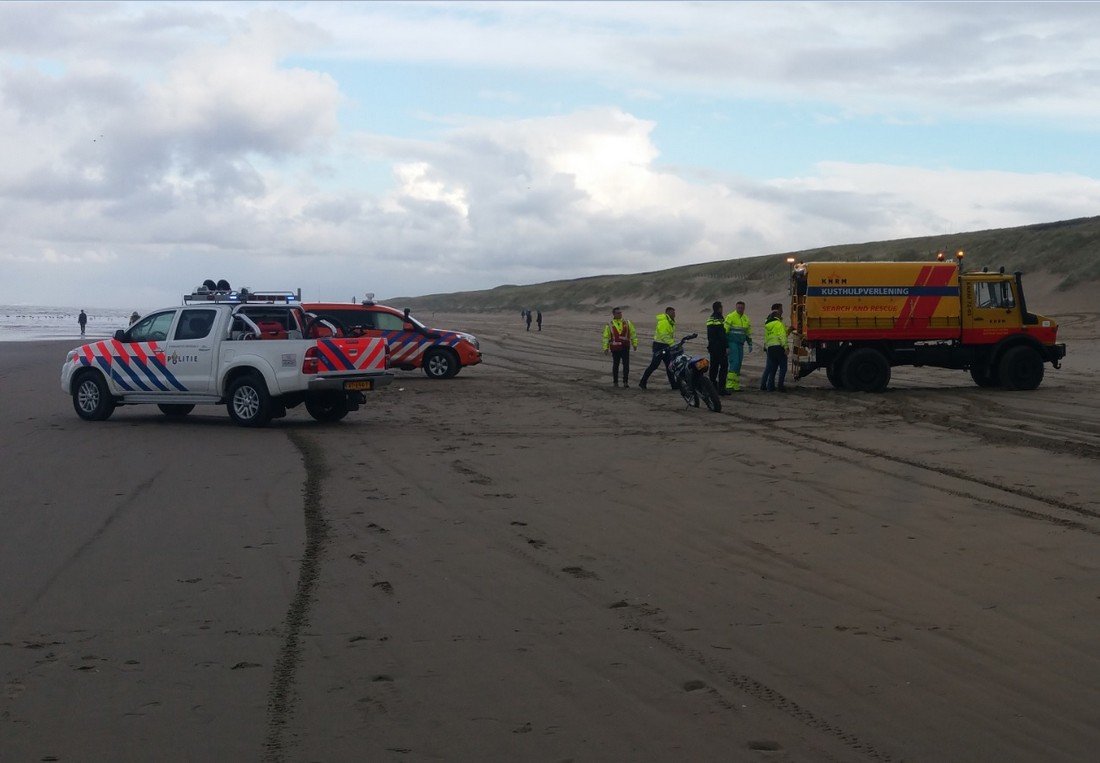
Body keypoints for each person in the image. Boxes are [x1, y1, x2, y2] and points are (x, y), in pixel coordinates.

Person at [638, 306, 677, 390]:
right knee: (654, 365)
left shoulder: (671, 322)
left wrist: (671, 344)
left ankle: (673, 385)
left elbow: (669, 335)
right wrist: (672, 344)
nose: (674, 314)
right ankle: (642, 382)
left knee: (669, 366)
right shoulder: (664, 322)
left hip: (666, 345)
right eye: (673, 312)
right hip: (659, 346)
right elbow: (663, 335)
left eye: (674, 312)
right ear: (668, 312)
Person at [601, 307, 638, 387]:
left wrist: (634, 344)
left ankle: (625, 382)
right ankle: (615, 382)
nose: (620, 314)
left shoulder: (627, 322)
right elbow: (606, 337)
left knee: (626, 365)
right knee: (616, 365)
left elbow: (633, 333)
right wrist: (605, 348)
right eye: (618, 313)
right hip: (615, 348)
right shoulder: (610, 324)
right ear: (614, 314)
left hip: (625, 347)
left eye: (620, 312)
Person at [724, 300, 753, 392]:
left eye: (742, 308)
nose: (740, 309)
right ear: (736, 307)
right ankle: (729, 385)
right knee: (734, 362)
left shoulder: (746, 318)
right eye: (739, 307)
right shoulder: (730, 317)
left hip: (740, 344)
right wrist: (726, 345)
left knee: (739, 364)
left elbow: (748, 333)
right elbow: (725, 331)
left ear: (744, 308)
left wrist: (750, 343)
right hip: (732, 343)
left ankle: (736, 385)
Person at [761, 303, 791, 392]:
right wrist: (786, 347)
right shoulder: (779, 324)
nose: (782, 311)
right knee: (783, 368)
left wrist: (766, 347)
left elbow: (766, 337)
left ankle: (769, 386)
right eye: (781, 310)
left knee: (772, 368)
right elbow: (782, 336)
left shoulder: (767, 324)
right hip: (778, 347)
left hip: (770, 348)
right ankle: (780, 386)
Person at [705, 301, 729, 395]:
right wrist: (726, 346)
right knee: (724, 367)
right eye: (721, 307)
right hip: (720, 347)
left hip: (712, 346)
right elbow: (722, 335)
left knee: (714, 367)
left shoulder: (710, 319)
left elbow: (710, 335)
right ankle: (721, 388)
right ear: (719, 308)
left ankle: (712, 386)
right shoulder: (719, 319)